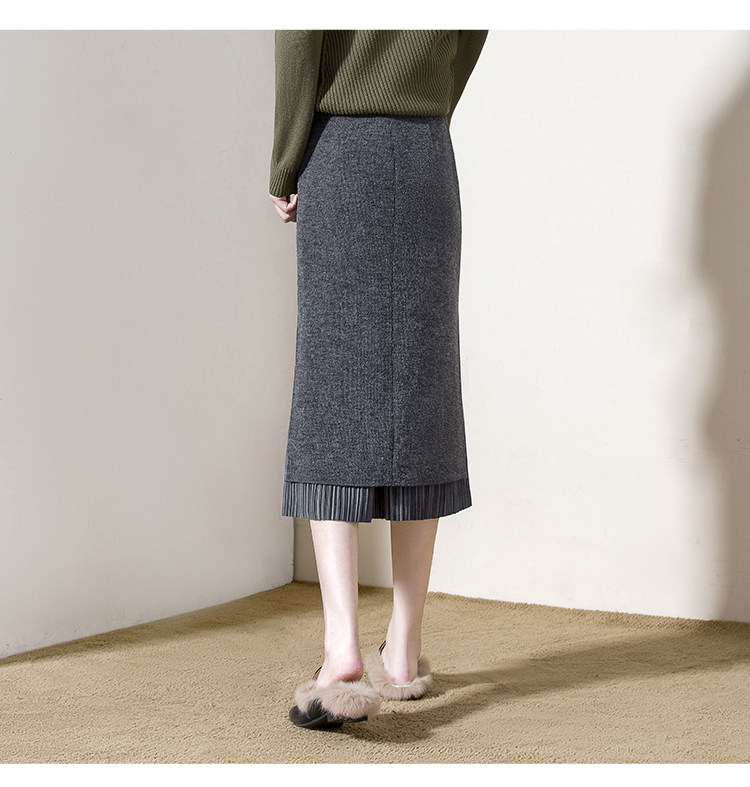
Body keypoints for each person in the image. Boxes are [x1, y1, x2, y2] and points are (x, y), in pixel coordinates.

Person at [269, 29, 488, 730]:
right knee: (422, 390)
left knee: (332, 392)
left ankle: (343, 650)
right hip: (426, 156)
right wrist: (427, 98)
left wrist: (284, 162)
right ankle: (403, 649)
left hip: (340, 151)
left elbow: (300, 41)